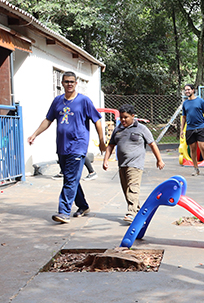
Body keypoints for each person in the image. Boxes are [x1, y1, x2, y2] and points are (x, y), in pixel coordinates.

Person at [27, 71, 107, 223]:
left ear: (76, 83)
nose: (69, 84)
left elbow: (96, 120)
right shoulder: (57, 101)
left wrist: (102, 140)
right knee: (72, 178)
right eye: (66, 81)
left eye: (72, 81)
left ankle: (63, 212)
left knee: (69, 180)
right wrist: (34, 134)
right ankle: (83, 206)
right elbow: (48, 120)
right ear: (62, 83)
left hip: (78, 145)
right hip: (62, 146)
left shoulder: (84, 101)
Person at [102, 104, 165, 222]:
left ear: (133, 116)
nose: (123, 120)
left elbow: (152, 144)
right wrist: (105, 160)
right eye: (121, 117)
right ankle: (138, 212)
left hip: (136, 165)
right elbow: (111, 145)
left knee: (133, 188)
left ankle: (131, 212)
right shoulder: (118, 129)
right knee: (127, 190)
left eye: (126, 117)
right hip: (122, 165)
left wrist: (159, 160)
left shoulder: (141, 129)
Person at [180, 84, 204, 176]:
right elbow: (184, 117)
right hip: (190, 128)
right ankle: (196, 168)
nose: (187, 91)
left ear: (193, 90)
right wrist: (181, 130)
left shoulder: (200, 101)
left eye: (188, 90)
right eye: (185, 90)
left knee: (203, 147)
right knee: (192, 149)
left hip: (201, 127)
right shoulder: (185, 103)